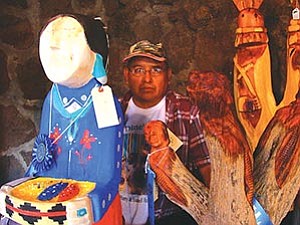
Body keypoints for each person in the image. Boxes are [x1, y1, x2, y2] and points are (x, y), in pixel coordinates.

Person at [119, 40, 211, 225]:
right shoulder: (114, 111)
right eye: (138, 70)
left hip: (170, 217)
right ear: (126, 75)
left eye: (155, 70)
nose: (147, 79)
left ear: (168, 75)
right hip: (119, 216)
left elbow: (208, 168)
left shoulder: (187, 112)